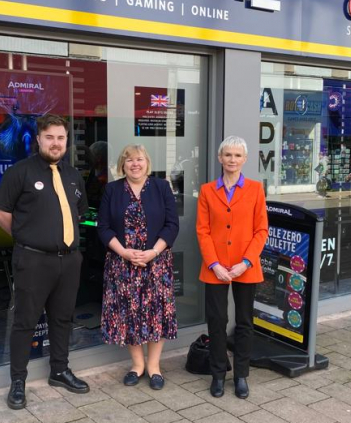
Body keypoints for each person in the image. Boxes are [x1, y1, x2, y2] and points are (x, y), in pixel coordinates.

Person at [0, 114, 90, 410]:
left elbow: (81, 212)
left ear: (66, 141)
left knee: (62, 318)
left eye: (61, 138)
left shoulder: (73, 174)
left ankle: (59, 371)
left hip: (69, 261)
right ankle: (18, 382)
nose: (56, 143)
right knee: (25, 322)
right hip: (33, 261)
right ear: (38, 139)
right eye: (50, 137)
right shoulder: (20, 172)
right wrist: (26, 236)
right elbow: (0, 212)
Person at [97, 145, 179, 390]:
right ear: (123, 165)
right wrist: (123, 252)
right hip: (122, 264)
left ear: (147, 163)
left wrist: (153, 252)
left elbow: (172, 225)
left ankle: (154, 366)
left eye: (139, 159)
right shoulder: (112, 190)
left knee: (157, 313)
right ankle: (137, 365)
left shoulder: (162, 187)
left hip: (156, 263)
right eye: (129, 160)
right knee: (129, 314)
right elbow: (103, 227)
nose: (135, 164)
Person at [196, 136, 268, 399]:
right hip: (215, 267)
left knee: (245, 323)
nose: (232, 160)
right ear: (220, 158)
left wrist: (245, 263)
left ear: (244, 159)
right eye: (228, 155)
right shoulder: (206, 191)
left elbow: (261, 230)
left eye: (237, 156)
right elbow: (202, 231)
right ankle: (217, 375)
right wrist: (214, 264)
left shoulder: (255, 189)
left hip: (245, 266)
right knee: (216, 322)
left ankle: (241, 376)